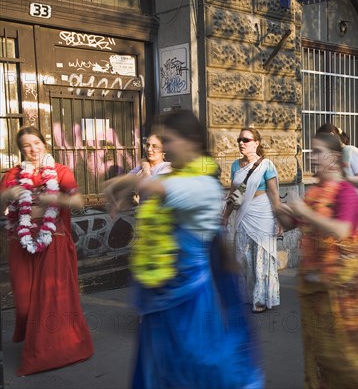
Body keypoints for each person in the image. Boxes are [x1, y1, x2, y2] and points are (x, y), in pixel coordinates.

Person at [104, 110, 264, 388]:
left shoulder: (203, 183)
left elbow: (168, 190)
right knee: (159, 370)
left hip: (187, 299)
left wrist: (128, 181)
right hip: (159, 298)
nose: (164, 147)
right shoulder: (170, 178)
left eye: (169, 140)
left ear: (190, 142)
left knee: (193, 369)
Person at [275, 133, 358, 388]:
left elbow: (343, 230)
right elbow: (290, 223)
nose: (312, 157)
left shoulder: (346, 191)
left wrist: (304, 213)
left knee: (350, 353)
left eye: (317, 152)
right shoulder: (315, 193)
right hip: (315, 288)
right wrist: (276, 206)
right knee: (322, 352)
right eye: (311, 152)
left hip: (344, 288)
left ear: (335, 158)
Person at [0, 126, 93, 376]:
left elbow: (78, 202)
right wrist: (7, 194)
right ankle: (41, 343)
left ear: (45, 144)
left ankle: (55, 351)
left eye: (36, 143)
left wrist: (54, 199)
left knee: (51, 302)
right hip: (20, 244)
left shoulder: (60, 171)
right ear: (21, 149)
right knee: (25, 304)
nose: (33, 149)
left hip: (54, 240)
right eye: (26, 145)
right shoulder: (12, 175)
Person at [222, 128, 281, 313]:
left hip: (262, 213)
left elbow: (274, 194)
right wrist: (225, 216)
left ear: (256, 143)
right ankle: (246, 295)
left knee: (261, 257)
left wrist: (279, 219)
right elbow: (234, 195)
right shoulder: (234, 166)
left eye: (246, 140)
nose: (241, 143)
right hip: (243, 215)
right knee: (243, 257)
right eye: (239, 139)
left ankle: (261, 298)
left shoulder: (266, 165)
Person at [316, 123, 358, 237]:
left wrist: (340, 179)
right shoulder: (338, 154)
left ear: (333, 135)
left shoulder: (350, 151)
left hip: (357, 207)